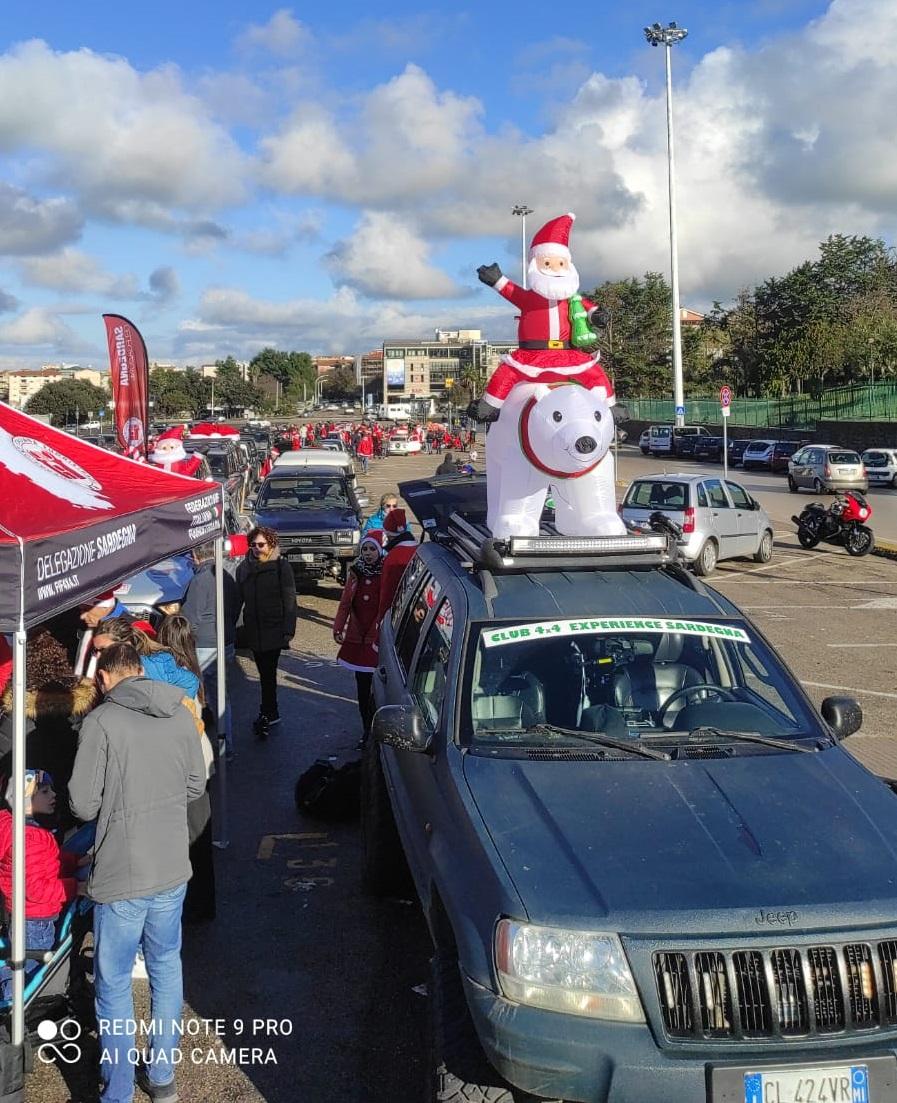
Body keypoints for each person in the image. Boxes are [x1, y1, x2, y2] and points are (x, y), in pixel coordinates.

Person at [69, 643, 206, 1103]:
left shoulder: (101, 722)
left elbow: (82, 804)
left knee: (113, 983)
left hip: (121, 875)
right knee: (167, 967)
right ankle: (162, 1074)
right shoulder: (180, 711)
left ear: (107, 676)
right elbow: (194, 784)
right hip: (172, 867)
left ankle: (119, 1090)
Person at [0, 769, 87, 999]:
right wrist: (75, 887)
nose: (54, 795)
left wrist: (76, 860)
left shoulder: (19, 829)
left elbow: (49, 861)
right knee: (32, 972)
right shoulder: (30, 839)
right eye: (45, 791)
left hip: (24, 916)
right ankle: (13, 1003)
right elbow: (37, 888)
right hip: (36, 921)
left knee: (22, 962)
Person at [180, 541, 240, 756]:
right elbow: (235, 608)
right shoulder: (226, 576)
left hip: (205, 645)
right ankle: (227, 747)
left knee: (193, 696)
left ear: (196, 556)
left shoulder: (199, 580)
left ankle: (198, 751)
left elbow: (190, 619)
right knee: (221, 697)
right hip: (226, 642)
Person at [237, 525, 297, 739]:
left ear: (271, 545)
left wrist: (288, 629)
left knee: (268, 672)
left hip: (274, 628)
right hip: (254, 630)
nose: (256, 548)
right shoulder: (243, 568)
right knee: (264, 671)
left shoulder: (281, 567)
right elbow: (238, 600)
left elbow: (290, 599)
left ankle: (269, 711)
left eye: (261, 544)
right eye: (253, 544)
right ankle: (270, 710)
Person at [333, 532, 384, 742]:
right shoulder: (355, 573)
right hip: (356, 636)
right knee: (362, 688)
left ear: (379, 551)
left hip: (375, 638)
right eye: (365, 549)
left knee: (378, 689)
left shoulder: (385, 573)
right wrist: (338, 627)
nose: (369, 553)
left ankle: (380, 731)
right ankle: (366, 730)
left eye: (373, 549)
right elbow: (345, 602)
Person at [92, 618, 201, 701]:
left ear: (124, 644)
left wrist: (177, 712)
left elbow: (191, 681)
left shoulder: (154, 664)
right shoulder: (103, 671)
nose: (97, 656)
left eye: (103, 649)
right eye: (95, 650)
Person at [377, 510, 420, 624]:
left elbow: (387, 594)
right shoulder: (420, 550)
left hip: (401, 615)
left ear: (388, 534)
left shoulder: (392, 558)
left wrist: (381, 621)